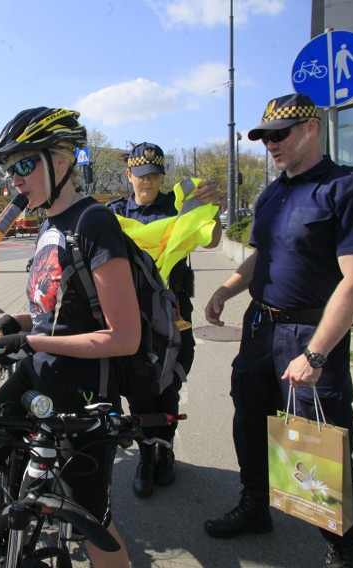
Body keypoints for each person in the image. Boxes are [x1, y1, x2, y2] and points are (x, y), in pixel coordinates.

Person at [201, 93, 353, 568]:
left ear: (311, 129)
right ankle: (254, 506)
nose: (270, 144)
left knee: (321, 437)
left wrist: (316, 353)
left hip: (309, 332)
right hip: (260, 326)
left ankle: (340, 544)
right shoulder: (272, 191)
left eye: (279, 134)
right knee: (250, 418)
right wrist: (226, 290)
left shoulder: (349, 188)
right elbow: (262, 255)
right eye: (264, 136)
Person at [0, 107, 139, 568]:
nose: (13, 179)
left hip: (85, 391)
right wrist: (19, 323)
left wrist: (33, 342)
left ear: (62, 159)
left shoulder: (94, 223)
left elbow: (123, 336)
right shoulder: (48, 223)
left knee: (90, 519)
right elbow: (55, 315)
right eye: (8, 169)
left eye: (23, 165)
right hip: (37, 377)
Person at [107, 142, 222, 498]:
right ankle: (145, 455)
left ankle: (166, 452)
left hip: (174, 313)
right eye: (142, 176)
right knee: (139, 388)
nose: (149, 183)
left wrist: (213, 210)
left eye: (155, 176)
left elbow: (213, 241)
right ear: (129, 175)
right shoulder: (112, 213)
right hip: (133, 312)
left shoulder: (178, 205)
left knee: (171, 382)